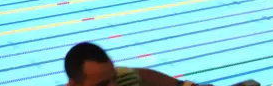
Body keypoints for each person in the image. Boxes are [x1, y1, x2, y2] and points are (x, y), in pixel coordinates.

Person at [64, 42, 211, 86]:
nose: (114, 85)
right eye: (102, 85)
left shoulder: (124, 78)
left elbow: (142, 73)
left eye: (114, 77)